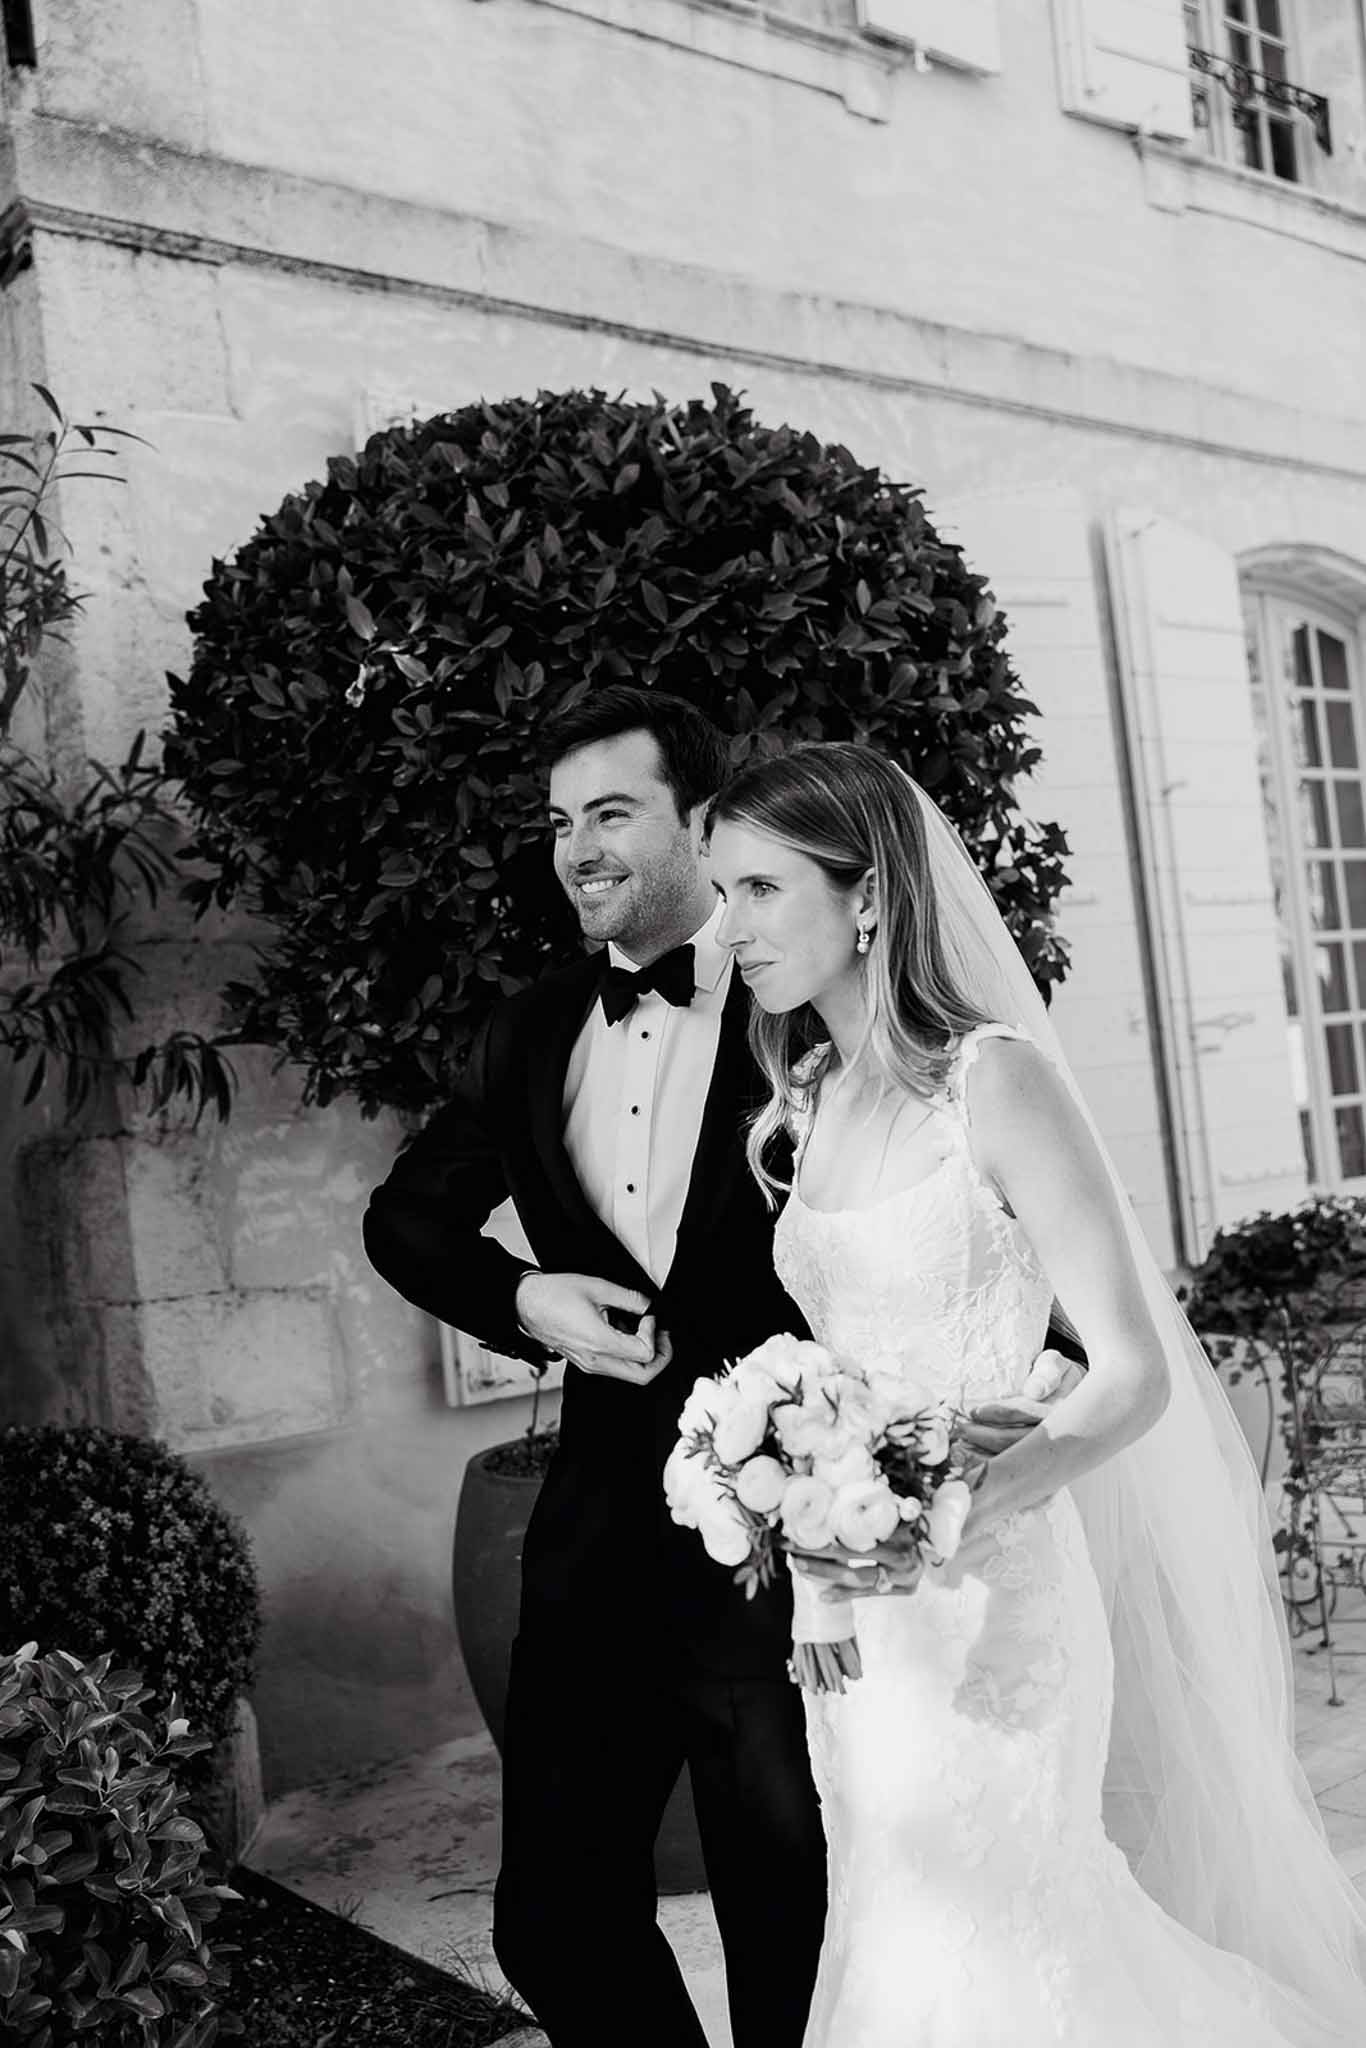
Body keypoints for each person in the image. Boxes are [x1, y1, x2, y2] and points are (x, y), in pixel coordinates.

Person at [703, 738, 1366, 2048]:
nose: (727, 929)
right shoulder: (809, 1098)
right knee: (891, 1914)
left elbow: (1130, 1374)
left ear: (868, 896)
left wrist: (949, 1510)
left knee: (1007, 1934)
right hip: (855, 1613)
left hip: (994, 1599)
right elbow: (840, 1369)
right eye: (722, 892)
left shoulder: (993, 1081)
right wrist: (810, 1524)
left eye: (760, 889)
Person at [362, 687, 829, 2048]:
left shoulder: (804, 1010)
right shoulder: (528, 1030)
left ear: (701, 821)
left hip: (777, 1537)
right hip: (597, 1537)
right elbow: (405, 1220)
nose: (577, 849)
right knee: (554, 1918)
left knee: (790, 1923)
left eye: (611, 814)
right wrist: (526, 1299)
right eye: (562, 822)